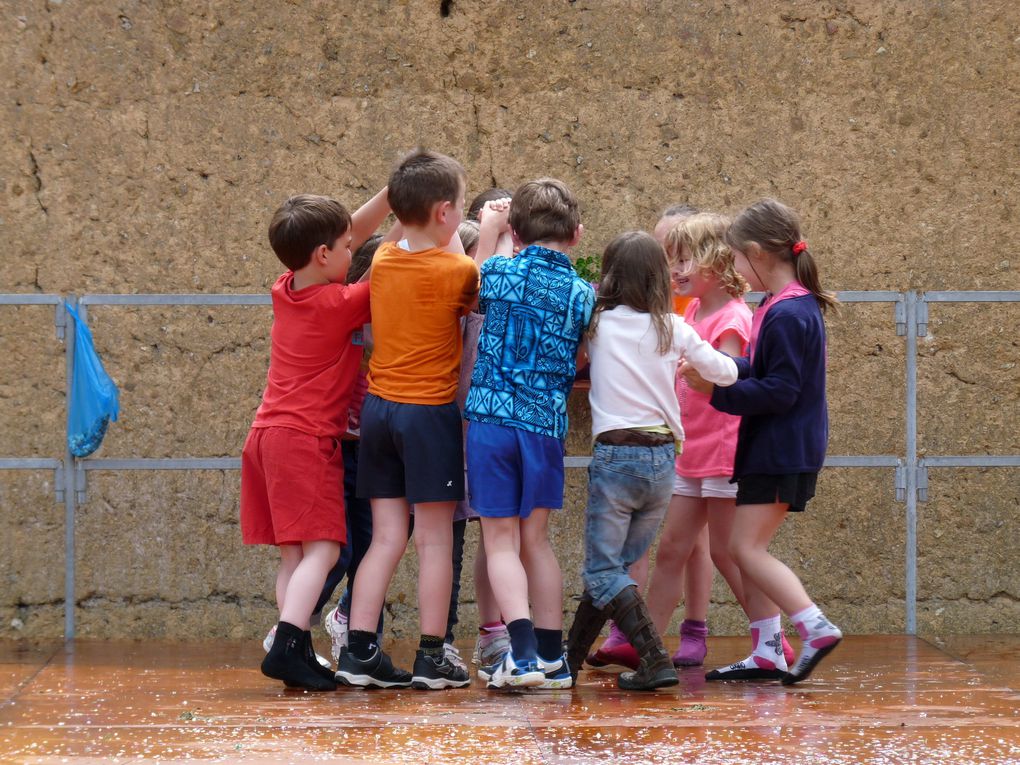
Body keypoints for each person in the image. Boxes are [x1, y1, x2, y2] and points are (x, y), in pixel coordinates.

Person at [564, 230, 738, 691]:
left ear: (609, 278)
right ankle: (567, 663)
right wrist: (696, 367)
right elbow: (729, 371)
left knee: (604, 571)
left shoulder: (598, 324)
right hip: (663, 462)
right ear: (660, 277)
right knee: (614, 570)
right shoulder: (674, 327)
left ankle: (655, 660)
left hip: (616, 456)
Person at [682, 198, 842, 684]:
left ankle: (815, 627)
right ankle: (769, 650)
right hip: (771, 448)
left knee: (744, 550)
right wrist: (725, 372)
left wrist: (718, 392)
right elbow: (767, 373)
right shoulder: (777, 305)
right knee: (740, 547)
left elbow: (782, 390)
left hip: (782, 450)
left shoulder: (789, 312)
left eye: (733, 258)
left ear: (756, 252)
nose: (733, 268)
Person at [335, 150, 477, 691]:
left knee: (386, 537)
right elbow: (473, 285)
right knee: (434, 540)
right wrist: (482, 233)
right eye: (459, 208)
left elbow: (403, 235)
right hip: (428, 414)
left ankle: (360, 649)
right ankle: (432, 654)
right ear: (445, 212)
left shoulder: (384, 261)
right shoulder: (458, 269)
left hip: (378, 412)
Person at [242, 188, 390, 691]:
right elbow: (389, 267)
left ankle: (297, 646)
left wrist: (390, 195)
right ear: (324, 255)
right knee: (325, 551)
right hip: (305, 441)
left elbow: (349, 233)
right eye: (347, 247)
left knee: (296, 556)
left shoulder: (286, 287)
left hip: (267, 437)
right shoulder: (339, 303)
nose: (355, 252)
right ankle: (286, 644)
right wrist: (408, 221)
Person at [642, 213, 791, 668]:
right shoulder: (690, 311)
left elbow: (729, 373)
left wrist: (694, 369)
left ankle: (772, 641)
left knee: (731, 554)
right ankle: (643, 642)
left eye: (685, 259)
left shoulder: (733, 316)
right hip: (694, 450)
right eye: (673, 260)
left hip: (723, 451)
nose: (676, 270)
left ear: (715, 261)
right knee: (672, 548)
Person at [464, 178, 595, 689]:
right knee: (535, 542)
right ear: (577, 235)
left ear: (516, 232)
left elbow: (465, 286)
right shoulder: (584, 294)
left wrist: (491, 230)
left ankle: (518, 656)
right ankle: (552, 656)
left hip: (492, 424)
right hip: (545, 426)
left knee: (499, 540)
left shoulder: (498, 271)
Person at [586, 201, 713, 671]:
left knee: (692, 542)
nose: (672, 264)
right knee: (642, 545)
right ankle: (629, 629)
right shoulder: (653, 309)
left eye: (679, 252)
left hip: (689, 432)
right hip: (662, 436)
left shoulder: (689, 309)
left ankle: (692, 628)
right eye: (664, 252)